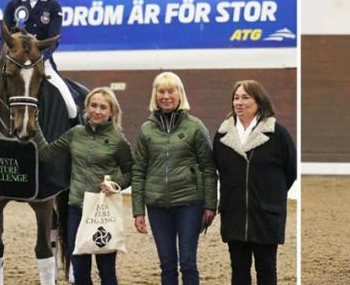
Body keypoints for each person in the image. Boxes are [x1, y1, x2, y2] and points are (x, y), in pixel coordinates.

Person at [33, 87, 133, 285]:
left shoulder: (118, 140)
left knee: (106, 271)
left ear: (111, 112)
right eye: (93, 105)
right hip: (77, 209)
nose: (97, 110)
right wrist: (34, 124)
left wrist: (115, 184)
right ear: (86, 108)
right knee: (79, 271)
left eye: (103, 107)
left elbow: (132, 173)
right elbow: (46, 153)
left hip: (103, 211)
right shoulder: (75, 133)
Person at [131, 72, 218, 285]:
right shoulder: (146, 129)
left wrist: (210, 205)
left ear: (180, 94)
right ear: (155, 95)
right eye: (161, 91)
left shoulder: (195, 127)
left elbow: (208, 168)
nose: (166, 96)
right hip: (157, 206)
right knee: (167, 264)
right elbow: (139, 171)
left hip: (190, 204)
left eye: (171, 91)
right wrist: (138, 210)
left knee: (188, 262)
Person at [213, 80, 297, 285]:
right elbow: (217, 169)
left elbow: (290, 171)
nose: (239, 102)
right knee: (238, 271)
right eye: (236, 97)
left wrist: (268, 195)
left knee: (267, 269)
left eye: (245, 97)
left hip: (266, 214)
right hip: (234, 214)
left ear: (259, 101)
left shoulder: (277, 134)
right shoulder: (223, 135)